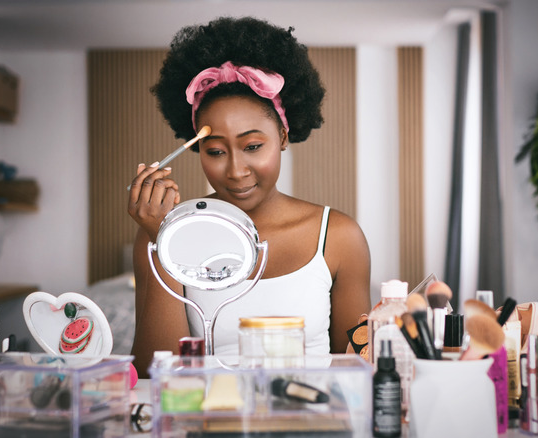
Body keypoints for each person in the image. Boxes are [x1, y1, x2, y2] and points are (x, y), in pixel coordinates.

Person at [127, 16, 371, 376]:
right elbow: (153, 373)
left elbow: (355, 368)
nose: (236, 170)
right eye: (215, 151)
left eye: (253, 146)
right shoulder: (167, 231)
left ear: (283, 137)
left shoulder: (338, 237)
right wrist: (160, 241)